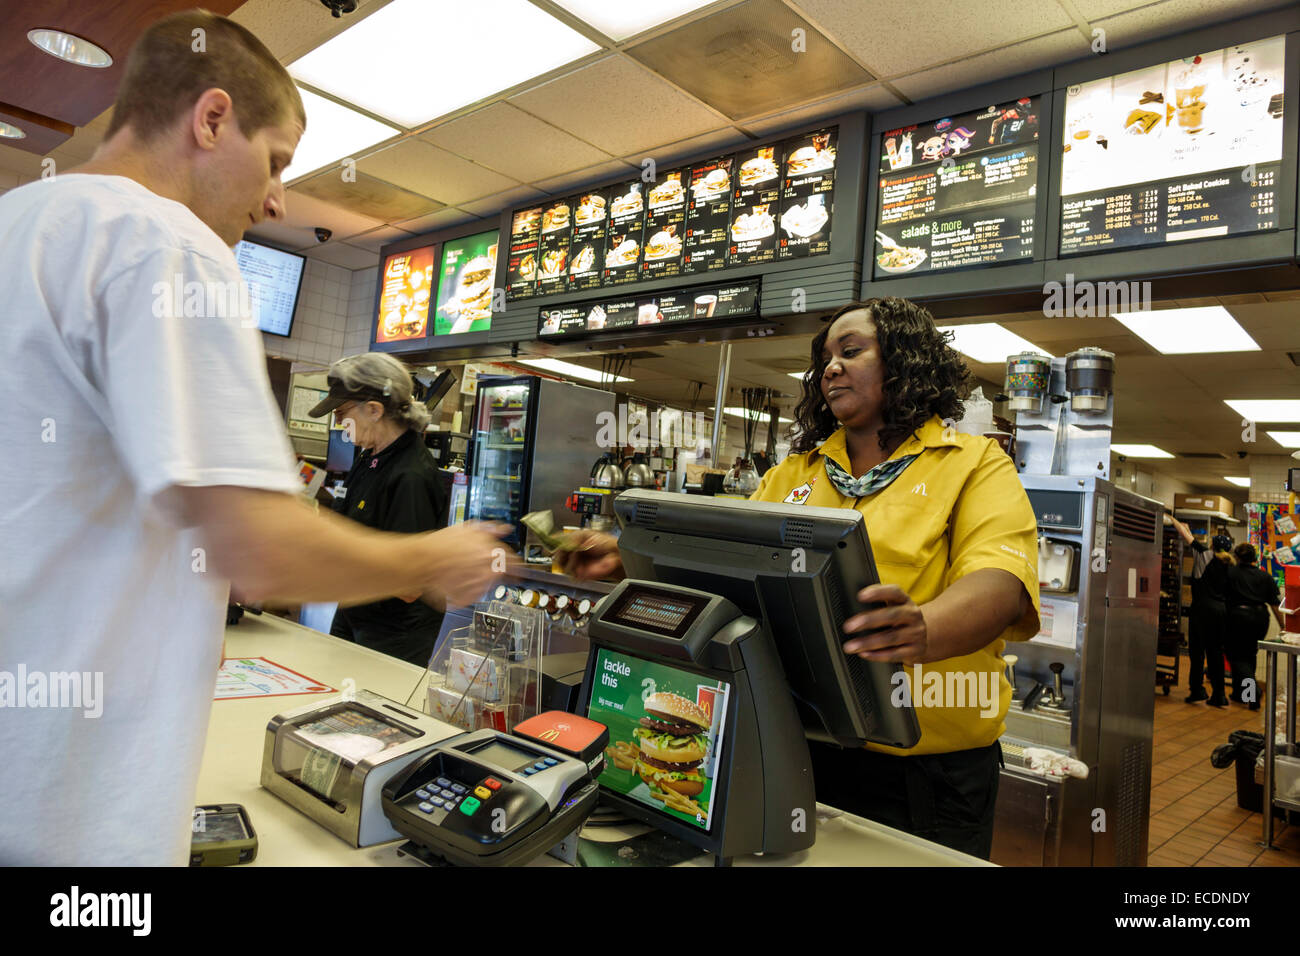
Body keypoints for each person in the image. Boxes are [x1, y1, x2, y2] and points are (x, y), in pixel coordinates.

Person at [0, 11, 506, 866]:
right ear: (211, 118)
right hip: (69, 810)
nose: (275, 198)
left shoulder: (22, 221)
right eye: (275, 160)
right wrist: (433, 558)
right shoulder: (167, 245)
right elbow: (258, 551)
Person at [557, 298, 1041, 858]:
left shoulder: (972, 463)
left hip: (923, 780)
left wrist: (924, 627)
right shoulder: (796, 472)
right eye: (825, 358)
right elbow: (721, 564)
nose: (831, 367)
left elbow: (1002, 584)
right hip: (793, 747)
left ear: (907, 361)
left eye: (851, 351)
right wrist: (627, 557)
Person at [308, 353, 449, 666]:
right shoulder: (368, 458)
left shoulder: (411, 474)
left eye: (342, 411)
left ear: (374, 409)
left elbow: (410, 584)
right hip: (354, 614)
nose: (337, 422)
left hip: (393, 635)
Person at [1170, 519, 1233, 706]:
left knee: (1197, 652)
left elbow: (1185, 534)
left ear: (1212, 545)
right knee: (1215, 652)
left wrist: (1172, 518)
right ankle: (1219, 694)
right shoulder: (1230, 564)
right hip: (1221, 611)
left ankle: (1197, 690)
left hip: (1202, 610)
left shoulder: (1205, 554)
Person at [1225, 543, 1284, 710]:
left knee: (1236, 656)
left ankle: (1254, 691)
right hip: (1260, 618)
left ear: (1236, 557)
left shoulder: (1231, 573)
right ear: (1254, 558)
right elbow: (1275, 604)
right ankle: (1242, 695)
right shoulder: (1264, 576)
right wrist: (1283, 626)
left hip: (1238, 618)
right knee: (1249, 655)